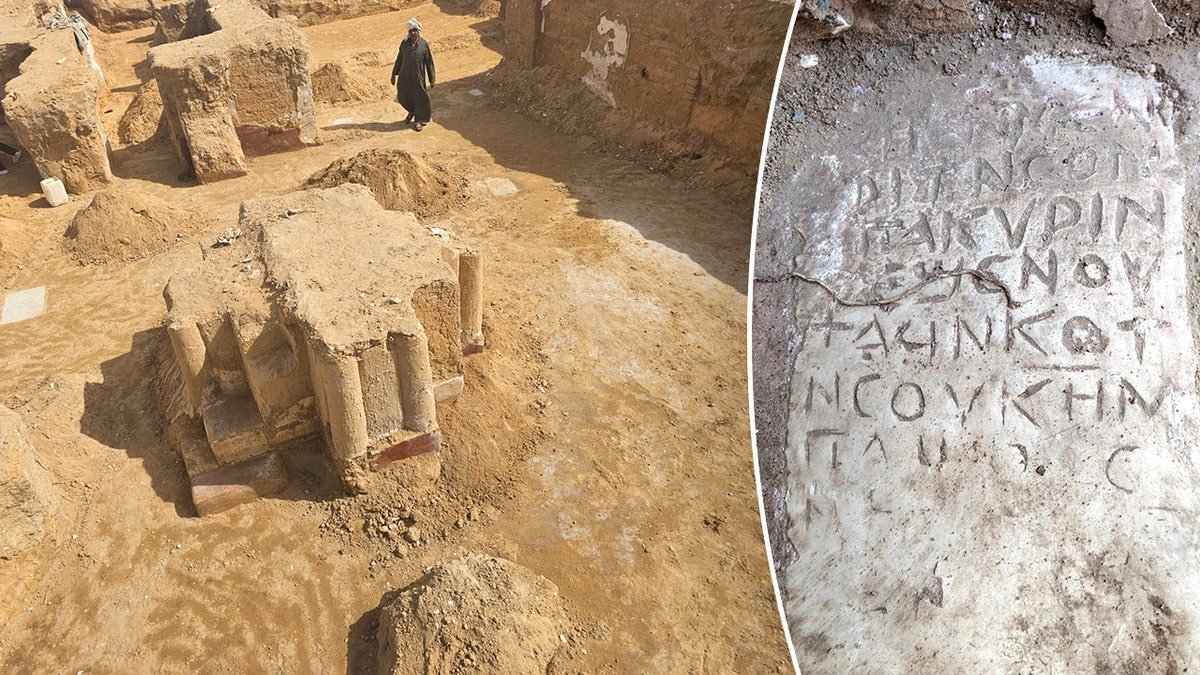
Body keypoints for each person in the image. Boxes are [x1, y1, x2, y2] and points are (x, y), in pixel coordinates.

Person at [391, 18, 436, 131]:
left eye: (415, 30)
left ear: (418, 31)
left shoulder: (423, 44)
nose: (413, 33)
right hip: (405, 75)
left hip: (418, 76)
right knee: (403, 96)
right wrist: (394, 74)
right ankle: (412, 111)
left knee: (420, 98)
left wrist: (432, 78)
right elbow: (399, 59)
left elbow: (429, 62)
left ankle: (418, 120)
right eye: (410, 31)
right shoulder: (405, 44)